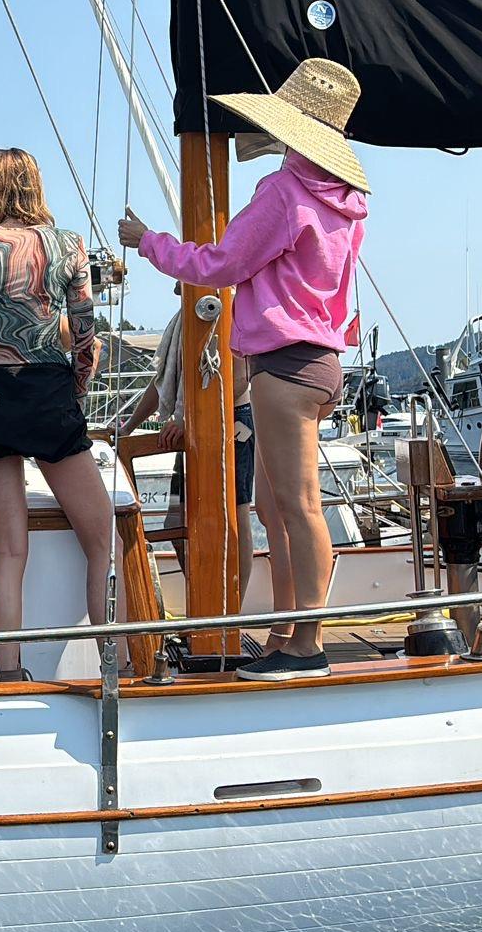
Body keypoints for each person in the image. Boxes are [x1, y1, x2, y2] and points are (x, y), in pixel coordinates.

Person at [119, 58, 369, 681]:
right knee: (275, 508)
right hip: (319, 362)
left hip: (284, 367)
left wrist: (147, 241)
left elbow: (219, 265)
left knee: (298, 505)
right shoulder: (345, 203)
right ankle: (288, 629)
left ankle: (305, 646)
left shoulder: (285, 193)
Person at [0, 148, 116, 680]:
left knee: (10, 551)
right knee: (103, 537)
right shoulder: (67, 246)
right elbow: (84, 332)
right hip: (47, 392)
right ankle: (116, 664)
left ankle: (9, 672)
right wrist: (79, 387)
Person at [117, 295, 260, 603]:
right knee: (176, 522)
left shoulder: (225, 308)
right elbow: (164, 383)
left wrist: (185, 418)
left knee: (235, 513)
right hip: (195, 424)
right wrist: (128, 426)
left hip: (233, 422)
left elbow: (238, 377)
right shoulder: (192, 314)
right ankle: (207, 602)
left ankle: (231, 608)